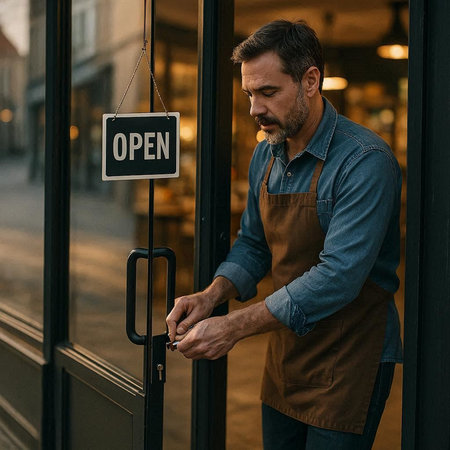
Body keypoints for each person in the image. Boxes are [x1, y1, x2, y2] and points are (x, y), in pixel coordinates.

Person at [166, 19, 402, 450]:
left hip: (349, 360)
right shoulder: (266, 153)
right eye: (250, 94)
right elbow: (254, 244)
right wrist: (212, 296)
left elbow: (338, 276)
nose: (255, 108)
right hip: (287, 355)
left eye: (268, 92)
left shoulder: (366, 160)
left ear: (311, 80)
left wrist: (233, 326)